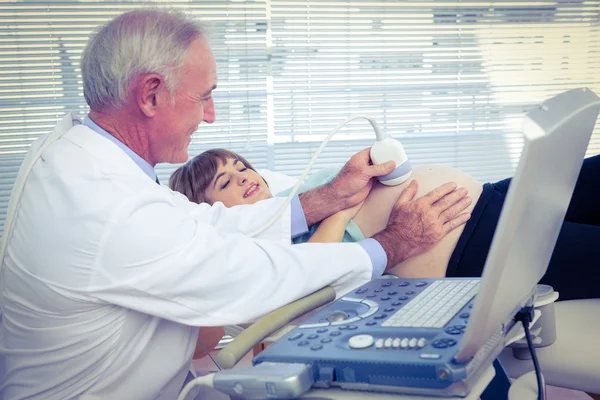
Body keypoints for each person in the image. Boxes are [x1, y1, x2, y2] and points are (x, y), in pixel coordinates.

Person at [0, 9, 472, 400]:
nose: (211, 115)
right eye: (204, 97)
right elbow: (251, 274)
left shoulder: (83, 157)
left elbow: (200, 225)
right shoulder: (104, 206)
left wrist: (321, 200)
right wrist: (393, 244)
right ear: (150, 94)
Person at [171, 148, 600, 303]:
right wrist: (341, 203)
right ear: (210, 211)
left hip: (485, 200)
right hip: (469, 241)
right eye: (225, 181)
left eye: (242, 167)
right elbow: (314, 268)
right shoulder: (260, 248)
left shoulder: (293, 199)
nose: (244, 176)